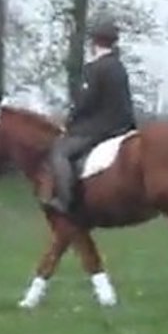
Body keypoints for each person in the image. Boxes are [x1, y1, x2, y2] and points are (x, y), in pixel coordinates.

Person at [41, 17, 137, 215]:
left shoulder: (95, 69)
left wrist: (69, 122)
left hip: (101, 128)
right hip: (124, 125)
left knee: (60, 152)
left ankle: (65, 201)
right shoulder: (118, 67)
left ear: (94, 43)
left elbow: (85, 102)